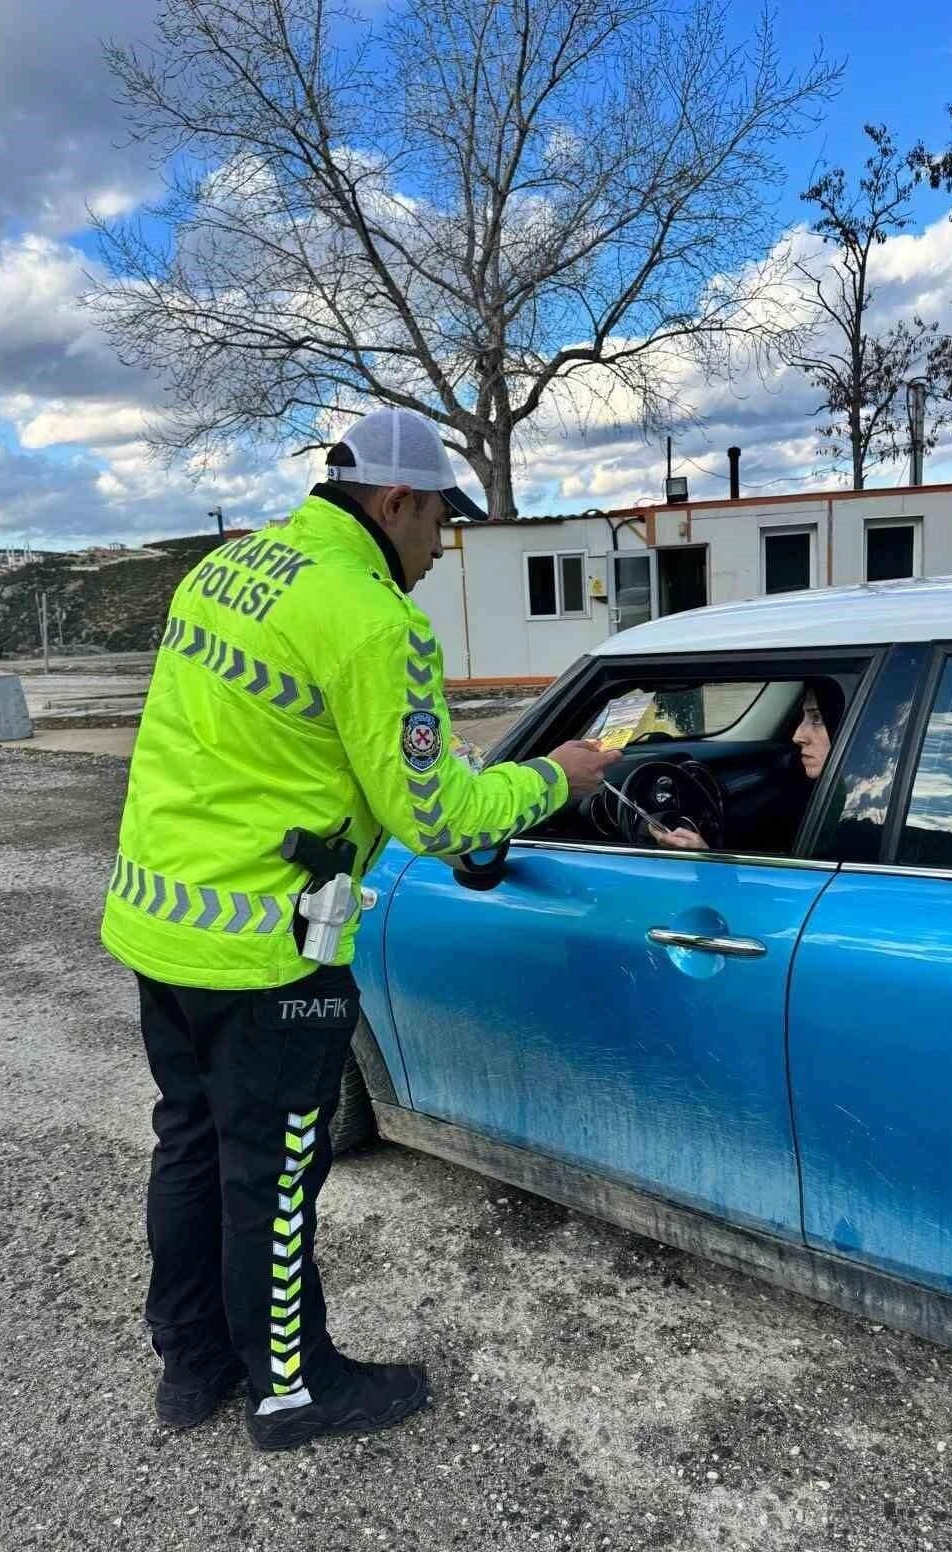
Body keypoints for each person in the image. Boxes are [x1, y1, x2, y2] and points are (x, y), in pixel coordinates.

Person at [101, 408, 617, 1451]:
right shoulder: (377, 621)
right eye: (439, 522)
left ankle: (192, 1367)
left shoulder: (227, 571)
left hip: (164, 929)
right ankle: (292, 1390)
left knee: (192, 1148)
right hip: (270, 954)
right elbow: (435, 817)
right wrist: (551, 778)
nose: (440, 546)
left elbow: (281, 749)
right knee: (278, 1179)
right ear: (396, 501)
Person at [652, 678, 845, 852]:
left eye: (817, 719)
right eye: (803, 718)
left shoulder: (854, 812)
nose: (797, 736)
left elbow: (795, 888)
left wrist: (705, 859)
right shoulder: (834, 792)